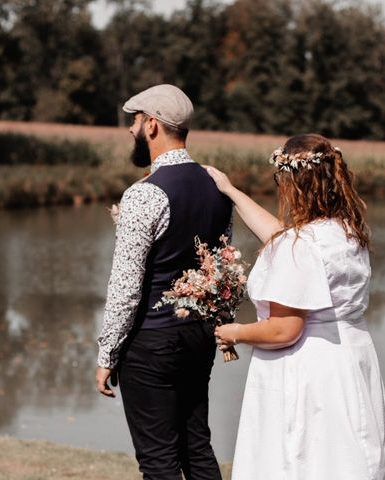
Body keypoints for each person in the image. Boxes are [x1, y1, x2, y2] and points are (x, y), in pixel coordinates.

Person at [206, 133, 385, 480]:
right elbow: (280, 236)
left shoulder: (301, 247)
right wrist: (231, 191)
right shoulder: (345, 233)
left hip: (310, 371)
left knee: (306, 459)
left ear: (292, 184)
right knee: (349, 455)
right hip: (349, 360)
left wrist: (235, 332)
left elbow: (284, 329)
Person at [95, 84, 232, 480]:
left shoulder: (144, 194)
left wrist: (107, 355)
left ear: (152, 125)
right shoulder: (217, 187)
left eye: (135, 121)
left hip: (152, 344)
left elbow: (126, 287)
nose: (131, 130)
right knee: (196, 448)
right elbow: (218, 268)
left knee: (158, 461)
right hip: (198, 336)